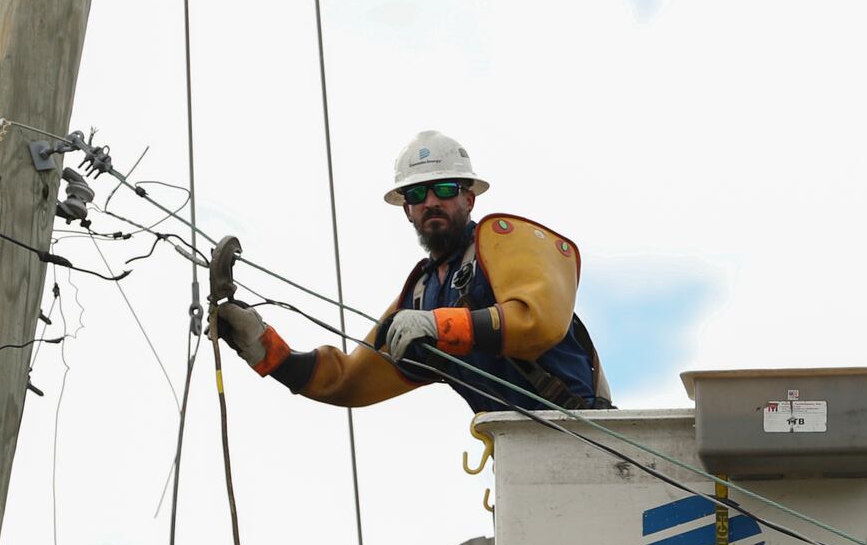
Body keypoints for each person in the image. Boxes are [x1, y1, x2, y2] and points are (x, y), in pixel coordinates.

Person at [211, 130, 611, 413]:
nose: (431, 202)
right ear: (407, 210)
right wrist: (264, 347)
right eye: (418, 194)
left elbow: (539, 321)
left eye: (446, 189)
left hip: (586, 436)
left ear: (469, 198)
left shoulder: (504, 243)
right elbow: (348, 379)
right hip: (518, 457)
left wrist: (442, 327)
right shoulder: (423, 293)